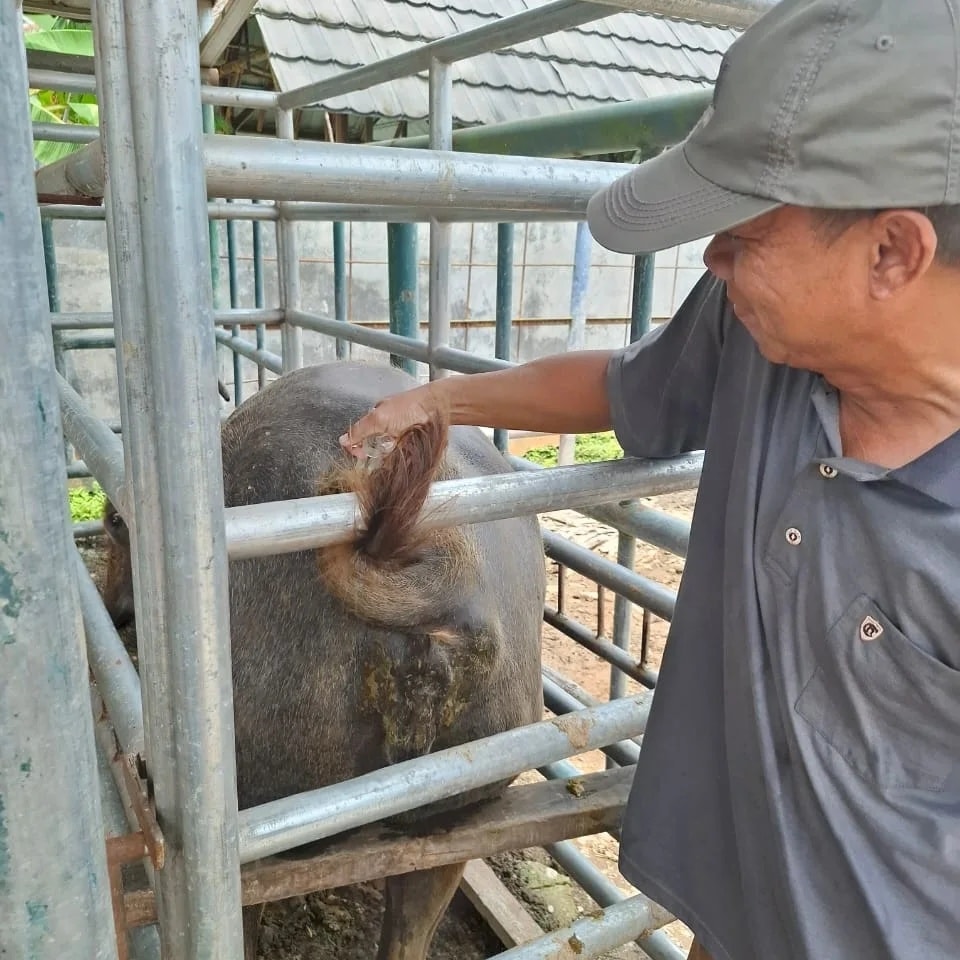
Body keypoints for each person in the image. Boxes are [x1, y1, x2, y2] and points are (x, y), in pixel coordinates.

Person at [341, 1, 960, 957]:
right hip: (734, 900)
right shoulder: (759, 337)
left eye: (743, 235)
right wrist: (446, 402)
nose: (711, 259)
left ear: (893, 252)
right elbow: (621, 387)